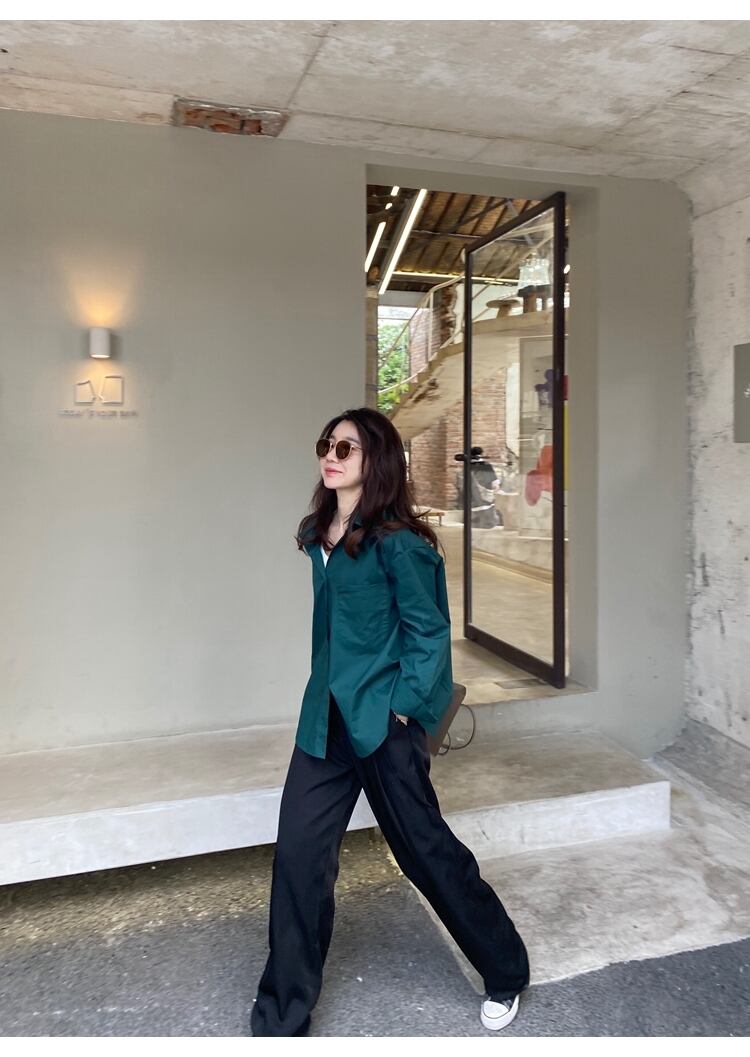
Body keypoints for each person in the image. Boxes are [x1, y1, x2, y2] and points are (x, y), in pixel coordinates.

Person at [250, 407, 529, 1037]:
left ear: (375, 460)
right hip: (323, 722)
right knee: (299, 858)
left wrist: (402, 706)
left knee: (425, 852)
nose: (331, 456)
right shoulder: (319, 534)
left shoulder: (400, 544)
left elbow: (429, 633)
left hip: (381, 723)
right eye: (326, 444)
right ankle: (282, 1014)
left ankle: (506, 968)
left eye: (346, 448)